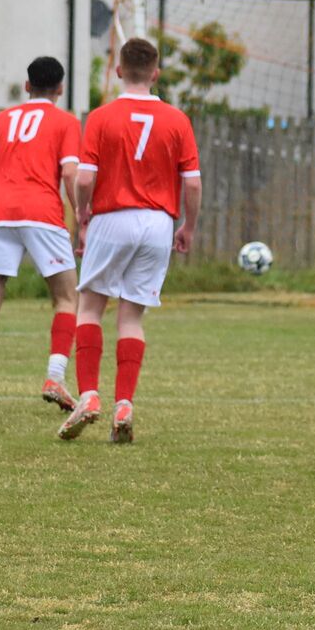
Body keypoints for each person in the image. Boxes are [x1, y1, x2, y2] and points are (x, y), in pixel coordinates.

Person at [57, 38, 202, 443]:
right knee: (132, 316)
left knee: (90, 307)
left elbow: (84, 178)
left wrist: (83, 215)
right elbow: (192, 183)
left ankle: (89, 395)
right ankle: (125, 402)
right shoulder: (177, 120)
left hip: (112, 215)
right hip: (158, 222)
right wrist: (188, 226)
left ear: (119, 71)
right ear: (155, 73)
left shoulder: (102, 117)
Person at [0, 56, 81, 414]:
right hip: (43, 215)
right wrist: (83, 218)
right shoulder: (66, 122)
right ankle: (55, 376)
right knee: (65, 298)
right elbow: (72, 174)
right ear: (60, 88)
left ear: (27, 86)